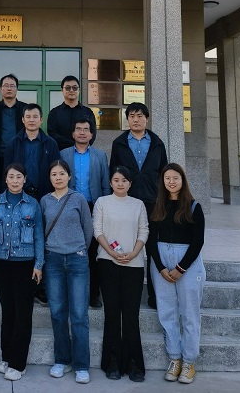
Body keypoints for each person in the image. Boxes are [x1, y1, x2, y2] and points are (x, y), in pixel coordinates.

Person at [0, 162, 44, 382]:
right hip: (1, 263)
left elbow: (39, 235)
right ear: (6, 179)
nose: (15, 181)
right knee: (8, 311)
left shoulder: (33, 204)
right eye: (11, 177)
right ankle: (6, 356)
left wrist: (39, 264)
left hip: (25, 264)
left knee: (23, 313)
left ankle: (19, 363)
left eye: (19, 177)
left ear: (25, 179)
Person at [148, 163, 206, 385]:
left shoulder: (194, 207)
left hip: (187, 264)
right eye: (167, 178)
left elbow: (198, 241)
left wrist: (181, 268)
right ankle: (174, 358)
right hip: (161, 262)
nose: (171, 182)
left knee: (189, 314)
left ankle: (189, 361)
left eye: (175, 178)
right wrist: (161, 267)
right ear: (162, 182)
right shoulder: (158, 206)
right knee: (167, 313)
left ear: (183, 180)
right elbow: (151, 240)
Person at [93, 166, 148, 383]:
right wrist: (111, 252)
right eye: (116, 180)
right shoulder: (102, 202)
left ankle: (134, 362)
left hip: (134, 264)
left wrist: (134, 253)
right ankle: (112, 361)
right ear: (110, 182)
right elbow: (97, 230)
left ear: (130, 183)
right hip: (108, 263)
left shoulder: (138, 204)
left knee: (131, 315)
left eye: (124, 180)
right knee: (112, 313)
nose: (120, 184)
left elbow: (144, 231)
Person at [40, 159, 93, 384]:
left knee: (79, 314)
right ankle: (61, 360)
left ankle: (81, 365)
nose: (58, 177)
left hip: (77, 259)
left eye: (62, 173)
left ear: (69, 176)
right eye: (54, 174)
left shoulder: (78, 199)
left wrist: (78, 249)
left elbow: (88, 230)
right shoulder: (44, 201)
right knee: (57, 312)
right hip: (52, 260)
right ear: (50, 178)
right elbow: (42, 230)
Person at [110, 102, 167, 308]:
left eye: (140, 116)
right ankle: (123, 294)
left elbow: (164, 173)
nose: (136, 119)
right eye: (132, 116)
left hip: (153, 202)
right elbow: (113, 173)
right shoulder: (119, 143)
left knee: (152, 248)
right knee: (125, 245)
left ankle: (154, 296)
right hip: (128, 202)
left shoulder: (157, 143)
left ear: (147, 119)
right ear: (127, 119)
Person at [4, 103, 59, 305]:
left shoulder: (50, 143)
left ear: (41, 119)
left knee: (41, 238)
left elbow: (55, 171)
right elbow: (7, 171)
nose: (32, 120)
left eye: (35, 116)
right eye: (28, 117)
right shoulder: (14, 143)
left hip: (44, 197)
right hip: (20, 197)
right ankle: (25, 282)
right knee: (21, 238)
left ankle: (41, 286)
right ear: (23, 120)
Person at [60, 119, 110, 308]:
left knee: (92, 251)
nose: (82, 132)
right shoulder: (63, 154)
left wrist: (105, 208)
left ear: (91, 134)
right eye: (78, 129)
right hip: (70, 206)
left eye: (86, 130)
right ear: (73, 134)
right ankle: (69, 294)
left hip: (93, 207)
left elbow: (105, 184)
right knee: (70, 249)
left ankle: (93, 294)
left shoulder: (100, 156)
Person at [0, 73, 25, 180]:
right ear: (1, 89)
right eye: (6, 85)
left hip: (20, 154)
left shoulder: (25, 109)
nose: (9, 88)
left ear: (17, 89)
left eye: (12, 86)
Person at [47, 76, 97, 150]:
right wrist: (73, 145)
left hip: (82, 152)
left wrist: (79, 146)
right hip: (60, 153)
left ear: (79, 90)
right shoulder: (54, 113)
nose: (71, 90)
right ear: (62, 90)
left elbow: (92, 133)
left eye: (74, 88)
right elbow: (52, 135)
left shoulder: (88, 112)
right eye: (67, 88)